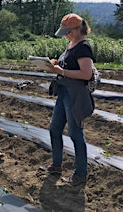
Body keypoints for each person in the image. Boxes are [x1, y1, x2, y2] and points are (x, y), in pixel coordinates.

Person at [45, 13, 95, 185]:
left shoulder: (83, 47)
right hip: (64, 92)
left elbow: (86, 74)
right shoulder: (71, 44)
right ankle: (56, 164)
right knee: (55, 128)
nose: (66, 35)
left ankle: (81, 173)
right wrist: (55, 65)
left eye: (68, 32)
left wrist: (62, 72)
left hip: (75, 95)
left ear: (78, 29)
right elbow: (66, 66)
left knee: (75, 133)